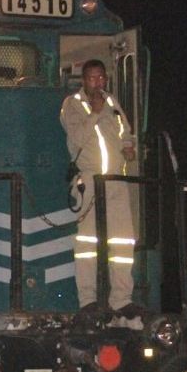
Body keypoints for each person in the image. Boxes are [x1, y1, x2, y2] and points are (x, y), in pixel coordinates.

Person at [59, 59, 142, 329]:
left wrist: (129, 148)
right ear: (83, 80)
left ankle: (121, 299)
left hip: (117, 182)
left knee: (122, 243)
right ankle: (88, 300)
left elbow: (126, 133)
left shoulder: (113, 102)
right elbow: (76, 139)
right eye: (92, 78)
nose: (97, 82)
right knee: (87, 245)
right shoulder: (72, 105)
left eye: (101, 78)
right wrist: (94, 113)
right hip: (90, 183)